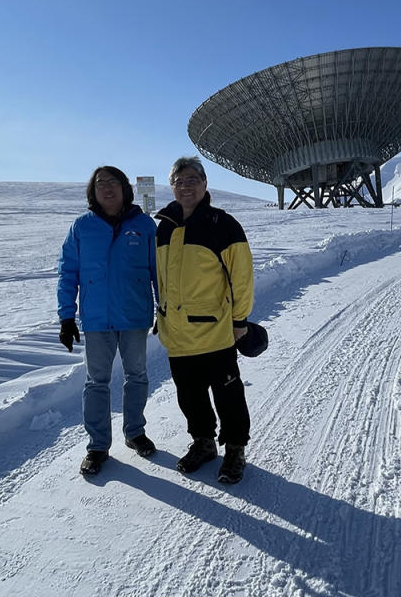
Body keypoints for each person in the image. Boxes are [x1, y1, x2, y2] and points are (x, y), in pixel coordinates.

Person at [154, 156, 254, 484]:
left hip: (216, 331)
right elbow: (161, 279)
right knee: (189, 395)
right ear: (172, 186)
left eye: (192, 180)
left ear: (204, 184)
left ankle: (235, 449)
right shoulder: (164, 226)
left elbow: (242, 277)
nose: (186, 186)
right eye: (179, 181)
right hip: (178, 334)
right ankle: (203, 443)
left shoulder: (222, 225)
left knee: (228, 394)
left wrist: (240, 320)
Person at [57, 166, 159, 476]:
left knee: (137, 375)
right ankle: (98, 445)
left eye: (113, 182)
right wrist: (66, 317)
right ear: (93, 191)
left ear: (125, 188)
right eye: (101, 184)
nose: (107, 189)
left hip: (134, 315)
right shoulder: (81, 227)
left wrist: (164, 308)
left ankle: (135, 432)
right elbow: (68, 272)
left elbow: (159, 271)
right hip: (96, 319)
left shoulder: (144, 226)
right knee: (96, 382)